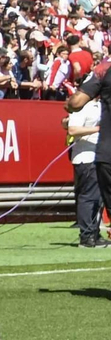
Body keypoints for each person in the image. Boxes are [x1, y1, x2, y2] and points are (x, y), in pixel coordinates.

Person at [64, 98, 103, 247]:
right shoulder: (81, 106)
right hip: (85, 158)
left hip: (98, 157)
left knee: (98, 198)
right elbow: (72, 129)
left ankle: (94, 234)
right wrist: (98, 129)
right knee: (88, 197)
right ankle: (86, 236)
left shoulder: (99, 105)